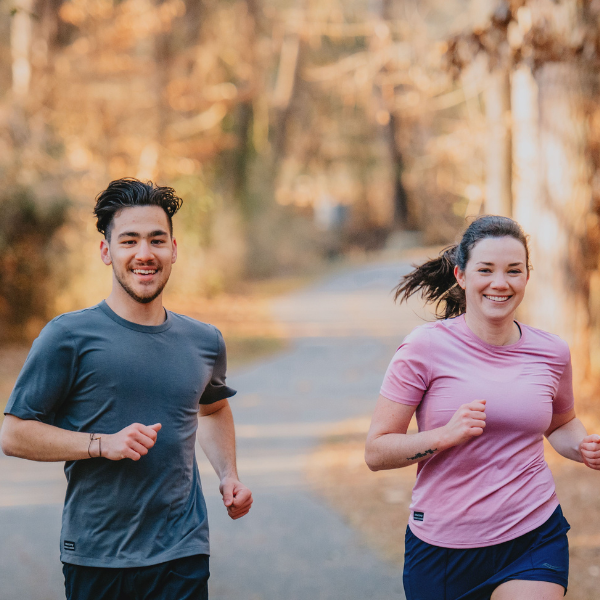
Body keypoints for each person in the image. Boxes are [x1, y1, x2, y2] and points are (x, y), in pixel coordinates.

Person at [0, 178, 252, 600]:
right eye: (129, 240)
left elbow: (210, 410)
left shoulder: (204, 340)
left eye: (156, 240)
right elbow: (14, 433)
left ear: (174, 249)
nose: (144, 254)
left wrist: (229, 475)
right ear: (106, 251)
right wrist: (102, 444)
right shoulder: (67, 337)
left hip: (183, 551)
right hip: (98, 556)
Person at [365, 215, 600, 600]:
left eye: (513, 270)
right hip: (444, 546)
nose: (500, 283)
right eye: (486, 270)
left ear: (527, 276)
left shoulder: (551, 351)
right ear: (461, 275)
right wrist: (444, 436)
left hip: (533, 533)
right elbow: (376, 452)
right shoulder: (424, 348)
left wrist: (584, 445)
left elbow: (561, 425)